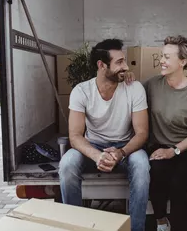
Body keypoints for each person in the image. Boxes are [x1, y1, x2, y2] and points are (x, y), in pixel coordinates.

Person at [58, 39, 150, 231]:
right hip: (92, 146)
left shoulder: (135, 88)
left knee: (142, 166)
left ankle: (136, 228)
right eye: (119, 62)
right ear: (101, 65)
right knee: (66, 165)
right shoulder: (81, 91)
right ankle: (75, 227)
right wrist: (97, 156)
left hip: (125, 146)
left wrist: (121, 153)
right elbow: (75, 136)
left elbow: (142, 133)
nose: (125, 66)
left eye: (124, 61)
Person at [144, 35, 187, 231]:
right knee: (157, 173)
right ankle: (161, 221)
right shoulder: (152, 85)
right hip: (161, 146)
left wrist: (174, 151)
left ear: (182, 61)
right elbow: (129, 92)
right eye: (161, 56)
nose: (161, 61)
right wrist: (127, 77)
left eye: (167, 57)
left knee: (178, 184)